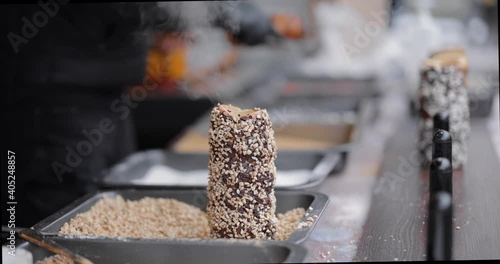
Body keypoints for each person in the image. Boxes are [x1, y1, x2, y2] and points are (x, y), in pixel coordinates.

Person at [3, 1, 277, 228]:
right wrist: (222, 9)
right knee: (59, 228)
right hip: (52, 104)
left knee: (113, 213)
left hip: (106, 94)